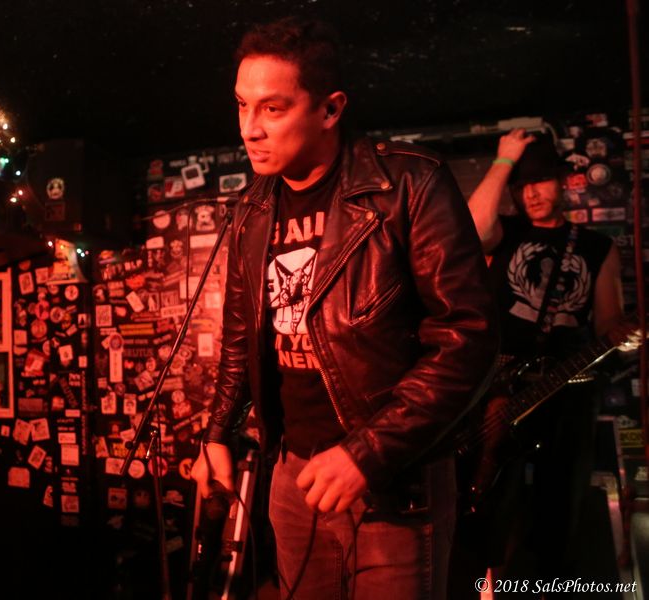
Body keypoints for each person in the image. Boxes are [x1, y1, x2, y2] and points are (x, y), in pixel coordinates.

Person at [190, 17, 499, 599]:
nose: (250, 129)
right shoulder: (251, 210)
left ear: (330, 110)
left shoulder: (408, 183)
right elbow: (238, 335)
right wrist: (217, 434)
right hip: (292, 476)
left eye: (273, 108)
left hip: (391, 484)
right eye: (242, 105)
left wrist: (366, 453)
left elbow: (469, 337)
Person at [451, 129, 624, 595]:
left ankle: (546, 585)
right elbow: (471, 228)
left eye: (540, 181)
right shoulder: (507, 232)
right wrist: (503, 159)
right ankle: (482, 581)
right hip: (498, 387)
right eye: (522, 184)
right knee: (487, 501)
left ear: (562, 182)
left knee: (559, 504)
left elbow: (610, 325)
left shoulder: (597, 248)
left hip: (567, 387)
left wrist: (626, 338)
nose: (530, 193)